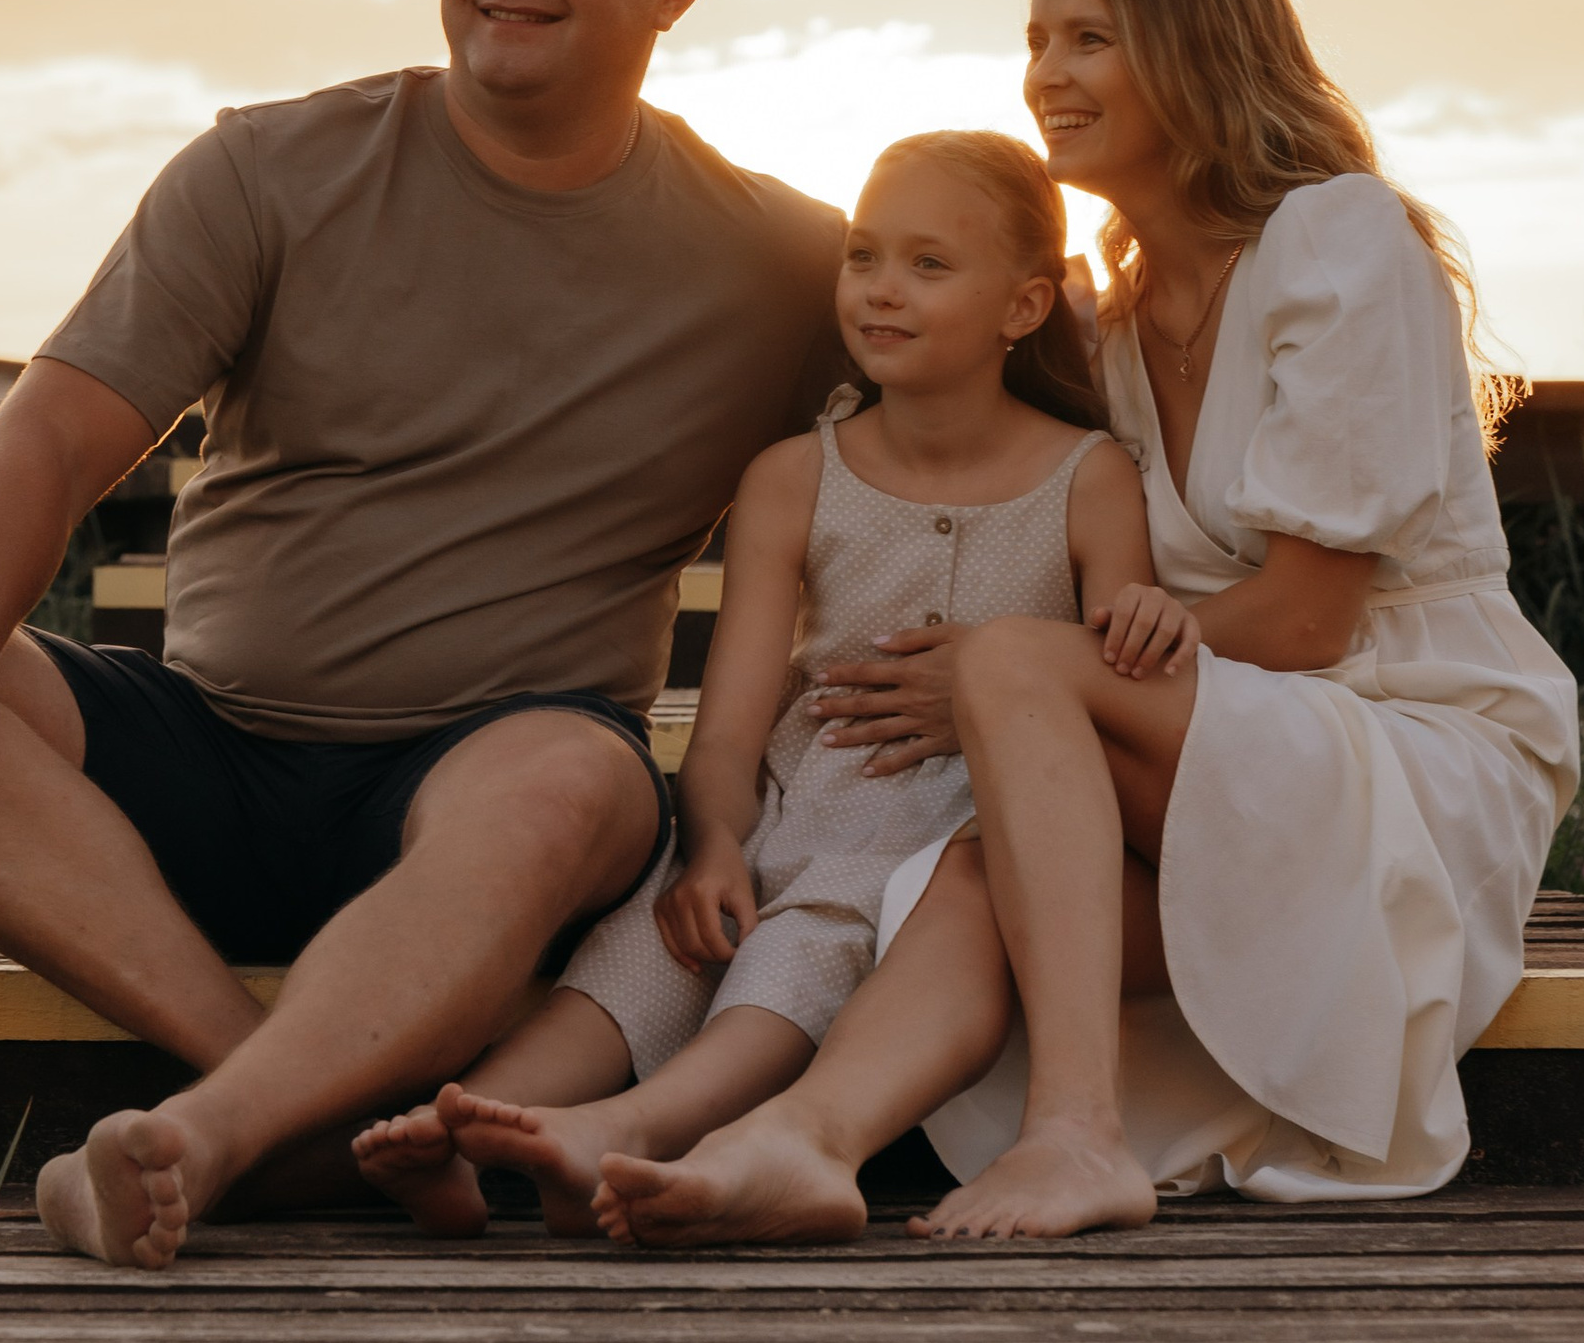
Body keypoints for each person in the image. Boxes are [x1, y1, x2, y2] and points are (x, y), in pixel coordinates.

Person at [0, 0, 848, 1270]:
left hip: (478, 809)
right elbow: (49, 438)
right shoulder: (272, 170)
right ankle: (274, 1113)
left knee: (581, 785)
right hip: (203, 756)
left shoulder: (783, 261)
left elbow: (1012, 396)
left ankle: (207, 1139)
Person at [590, 0, 1581, 1249]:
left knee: (1007, 663)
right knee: (967, 872)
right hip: (1233, 752)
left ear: (1196, 52)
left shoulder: (1340, 244)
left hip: (1413, 747)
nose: (1047, 73)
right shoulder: (1112, 325)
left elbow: (1304, 617)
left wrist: (992, 679)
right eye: (1036, 40)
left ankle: (1079, 1136)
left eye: (1091, 39)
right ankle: (801, 1140)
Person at [352, 129, 1184, 1240]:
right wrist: (706, 846)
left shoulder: (1089, 478)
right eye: (863, 257)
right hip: (791, 805)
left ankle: (633, 1125)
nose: (882, 292)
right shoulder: (795, 476)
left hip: (942, 833)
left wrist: (1153, 612)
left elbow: (1106, 674)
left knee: (808, 937)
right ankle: (477, 1127)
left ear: (1024, 307)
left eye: (929, 266)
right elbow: (734, 725)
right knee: (652, 938)